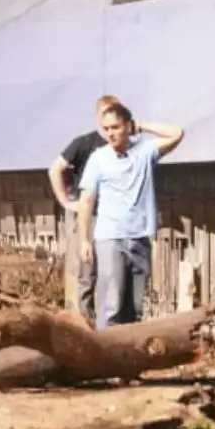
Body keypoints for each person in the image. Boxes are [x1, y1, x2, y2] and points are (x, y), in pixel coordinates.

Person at [77, 102, 185, 327]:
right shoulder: (98, 158)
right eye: (106, 129)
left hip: (139, 236)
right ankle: (106, 357)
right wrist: (84, 239)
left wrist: (142, 126)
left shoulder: (144, 151)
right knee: (111, 306)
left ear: (127, 126)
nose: (110, 133)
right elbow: (86, 200)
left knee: (135, 309)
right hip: (110, 237)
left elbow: (177, 133)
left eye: (115, 127)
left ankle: (128, 358)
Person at [45, 97, 115, 325]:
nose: (109, 123)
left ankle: (109, 324)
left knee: (112, 272)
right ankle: (86, 323)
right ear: (98, 117)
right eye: (105, 115)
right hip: (90, 215)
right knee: (87, 271)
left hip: (115, 215)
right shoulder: (85, 143)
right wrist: (65, 201)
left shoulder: (123, 144)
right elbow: (55, 168)